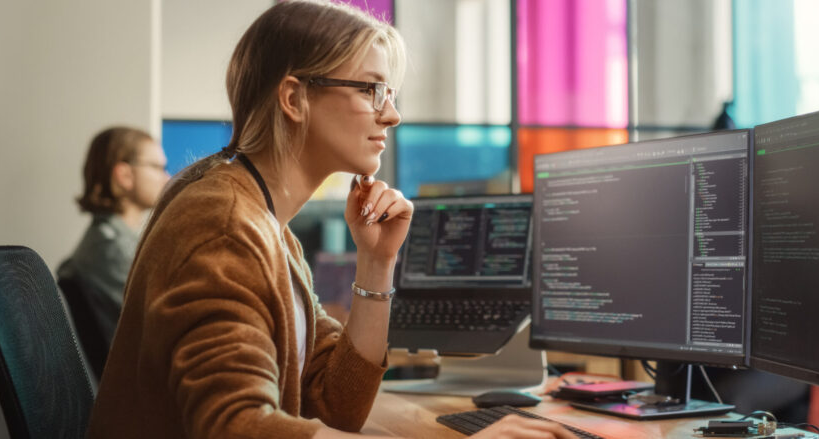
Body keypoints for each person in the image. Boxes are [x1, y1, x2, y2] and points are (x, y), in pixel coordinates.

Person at [87, 2, 575, 438]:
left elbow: (337, 404)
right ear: (294, 98)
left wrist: (376, 261)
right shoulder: (223, 222)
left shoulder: (266, 221)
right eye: (371, 89)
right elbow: (235, 426)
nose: (393, 115)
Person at [58, 126, 169, 378]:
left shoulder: (116, 242)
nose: (167, 177)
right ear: (124, 175)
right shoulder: (110, 250)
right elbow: (166, 327)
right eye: (157, 167)